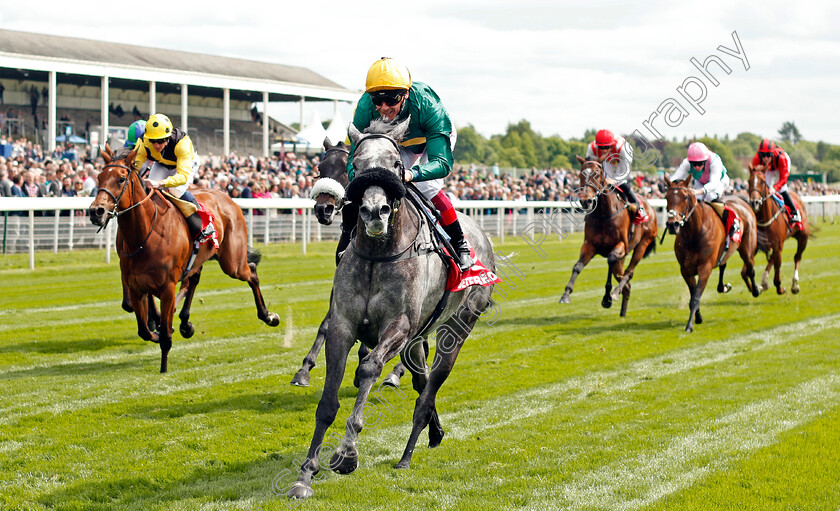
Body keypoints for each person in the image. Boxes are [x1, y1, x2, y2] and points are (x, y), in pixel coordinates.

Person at [342, 57, 473, 271]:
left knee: (426, 186)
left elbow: (442, 163)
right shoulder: (366, 106)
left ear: (405, 94)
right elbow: (354, 155)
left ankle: (460, 243)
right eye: (378, 100)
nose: (384, 107)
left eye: (391, 100)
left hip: (432, 138)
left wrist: (412, 174)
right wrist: (357, 179)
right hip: (395, 141)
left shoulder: (427, 104)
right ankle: (351, 238)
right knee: (374, 178)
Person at [133, 113, 215, 244]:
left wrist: (160, 183)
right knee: (150, 191)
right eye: (153, 141)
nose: (156, 145)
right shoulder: (143, 141)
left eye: (160, 141)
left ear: (168, 137)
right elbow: (135, 165)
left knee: (175, 189)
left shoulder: (182, 143)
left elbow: (182, 177)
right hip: (162, 163)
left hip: (186, 164)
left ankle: (203, 223)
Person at [671, 142, 741, 243]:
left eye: (700, 164)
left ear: (705, 159)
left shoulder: (715, 161)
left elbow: (713, 183)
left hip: (719, 181)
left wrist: (698, 191)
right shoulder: (686, 163)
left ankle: (733, 224)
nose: (696, 167)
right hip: (700, 181)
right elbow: (676, 177)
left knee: (709, 197)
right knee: (696, 202)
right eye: (694, 164)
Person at [585, 129, 649, 225]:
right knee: (602, 183)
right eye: (601, 147)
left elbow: (625, 171)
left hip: (622, 160)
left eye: (607, 147)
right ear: (597, 145)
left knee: (621, 182)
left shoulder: (622, 148)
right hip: (606, 161)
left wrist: (614, 180)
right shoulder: (591, 148)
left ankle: (639, 209)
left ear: (612, 144)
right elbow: (588, 167)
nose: (604, 150)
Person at [749, 139, 802, 230]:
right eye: (763, 156)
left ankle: (794, 211)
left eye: (768, 156)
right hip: (769, 168)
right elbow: (756, 177)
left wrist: (775, 187)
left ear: (772, 154)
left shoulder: (782, 158)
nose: (765, 158)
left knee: (781, 189)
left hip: (780, 165)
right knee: (766, 187)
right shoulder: (757, 159)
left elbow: (784, 178)